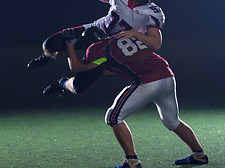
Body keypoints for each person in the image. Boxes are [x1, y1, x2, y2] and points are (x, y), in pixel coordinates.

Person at [44, 27, 209, 168]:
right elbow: (116, 65)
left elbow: (76, 66)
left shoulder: (96, 48)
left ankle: (131, 162)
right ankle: (199, 155)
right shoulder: (120, 37)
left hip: (148, 81)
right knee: (172, 121)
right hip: (167, 76)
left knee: (113, 116)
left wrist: (70, 44)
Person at [27, 0, 164, 71]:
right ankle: (48, 56)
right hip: (97, 30)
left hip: (115, 46)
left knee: (83, 78)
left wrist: (134, 33)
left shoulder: (152, 13)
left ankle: (67, 83)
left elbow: (155, 43)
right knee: (50, 44)